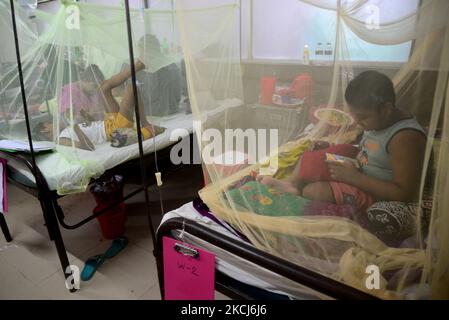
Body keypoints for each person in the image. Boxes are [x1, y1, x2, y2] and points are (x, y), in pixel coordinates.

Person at [259, 71, 427, 211]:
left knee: (313, 191)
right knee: (314, 154)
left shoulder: (405, 138)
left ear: (386, 110)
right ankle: (292, 183)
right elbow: (371, 148)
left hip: (377, 193)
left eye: (362, 117)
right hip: (360, 167)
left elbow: (404, 194)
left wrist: (354, 178)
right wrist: (330, 148)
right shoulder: (380, 122)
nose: (357, 122)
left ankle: (300, 188)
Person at [114, 34, 182, 117]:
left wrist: (130, 94)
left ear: (148, 50)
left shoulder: (158, 68)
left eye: (141, 50)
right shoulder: (171, 64)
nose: (140, 54)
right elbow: (177, 95)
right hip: (173, 110)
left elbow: (151, 94)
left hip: (153, 113)